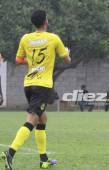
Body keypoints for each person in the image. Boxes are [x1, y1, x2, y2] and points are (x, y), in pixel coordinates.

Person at [1, 10, 71, 170]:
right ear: (46, 21)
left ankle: (43, 160)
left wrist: (32, 61)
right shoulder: (53, 38)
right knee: (32, 119)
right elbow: (67, 60)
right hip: (43, 86)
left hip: (29, 84)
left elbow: (18, 60)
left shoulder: (26, 38)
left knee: (42, 118)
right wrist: (67, 53)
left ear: (33, 23)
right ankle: (10, 153)